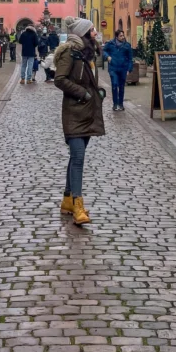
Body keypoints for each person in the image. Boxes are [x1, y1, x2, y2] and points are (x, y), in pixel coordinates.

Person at [54, 16, 105, 225]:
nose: (95, 33)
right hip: (74, 112)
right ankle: (78, 205)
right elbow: (60, 79)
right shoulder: (70, 53)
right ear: (83, 33)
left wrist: (97, 92)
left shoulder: (87, 54)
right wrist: (82, 94)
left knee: (76, 157)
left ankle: (67, 200)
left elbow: (89, 80)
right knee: (78, 158)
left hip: (88, 112)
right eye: (92, 30)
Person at [103, 30, 133, 112]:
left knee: (121, 87)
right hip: (113, 68)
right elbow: (103, 51)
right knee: (114, 85)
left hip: (123, 68)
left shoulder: (127, 46)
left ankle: (121, 104)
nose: (123, 37)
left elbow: (130, 58)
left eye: (123, 35)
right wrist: (107, 56)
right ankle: (115, 104)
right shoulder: (110, 44)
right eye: (121, 36)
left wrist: (129, 69)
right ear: (116, 37)